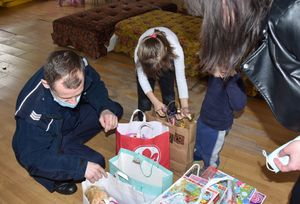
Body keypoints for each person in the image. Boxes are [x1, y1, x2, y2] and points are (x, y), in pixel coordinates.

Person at [199, 0, 300, 203]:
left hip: (213, 123)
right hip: (210, 122)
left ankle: (208, 168)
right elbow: (238, 104)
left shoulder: (291, 15)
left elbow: (238, 103)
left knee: (208, 151)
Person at [12, 50, 123, 195]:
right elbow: (32, 158)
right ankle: (56, 171)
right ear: (46, 84)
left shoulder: (79, 67)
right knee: (96, 163)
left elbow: (95, 86)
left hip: (66, 120)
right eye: (66, 98)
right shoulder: (32, 112)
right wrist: (80, 168)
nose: (73, 101)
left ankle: (67, 145)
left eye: (77, 94)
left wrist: (104, 109)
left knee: (113, 110)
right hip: (46, 139)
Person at [193, 67, 247, 168]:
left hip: (218, 127)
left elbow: (239, 105)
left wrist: (229, 83)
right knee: (199, 139)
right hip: (204, 117)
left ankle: (210, 168)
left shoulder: (235, 82)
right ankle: (199, 154)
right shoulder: (216, 74)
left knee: (211, 152)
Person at [134, 27, 190, 118]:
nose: (156, 73)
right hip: (147, 64)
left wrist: (184, 107)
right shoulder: (139, 52)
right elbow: (142, 78)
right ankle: (142, 124)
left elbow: (181, 79)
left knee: (169, 95)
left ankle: (171, 121)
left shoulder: (176, 50)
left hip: (166, 61)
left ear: (166, 49)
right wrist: (155, 102)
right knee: (144, 101)